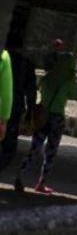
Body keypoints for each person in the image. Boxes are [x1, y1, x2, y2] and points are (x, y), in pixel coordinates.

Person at [15, 51, 77, 194]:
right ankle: (41, 183)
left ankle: (20, 175)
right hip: (57, 119)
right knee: (51, 151)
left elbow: (40, 89)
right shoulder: (68, 82)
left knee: (34, 148)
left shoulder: (47, 78)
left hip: (42, 116)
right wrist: (72, 79)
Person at [0, 35, 36, 171]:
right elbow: (31, 91)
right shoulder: (25, 64)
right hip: (12, 110)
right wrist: (30, 112)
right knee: (8, 147)